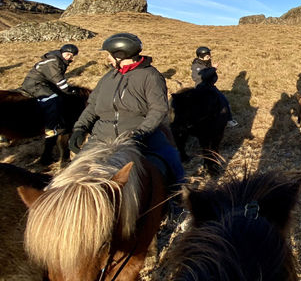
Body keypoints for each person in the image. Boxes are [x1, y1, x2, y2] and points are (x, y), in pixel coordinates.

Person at [69, 33, 184, 188]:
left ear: (120, 55)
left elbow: (158, 109)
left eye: (109, 55)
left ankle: (177, 203)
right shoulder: (108, 77)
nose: (107, 58)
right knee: (70, 176)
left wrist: (140, 134)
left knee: (172, 160)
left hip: (138, 136)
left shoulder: (150, 76)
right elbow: (92, 106)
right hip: (101, 138)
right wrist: (80, 128)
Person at [21, 43, 79, 138]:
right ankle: (49, 128)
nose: (69, 57)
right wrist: (68, 90)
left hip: (43, 83)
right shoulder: (53, 62)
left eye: (72, 56)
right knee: (52, 99)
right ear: (62, 52)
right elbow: (57, 79)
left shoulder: (59, 60)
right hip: (35, 83)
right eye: (67, 54)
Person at [191, 46, 237, 127]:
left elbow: (211, 76)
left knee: (224, 102)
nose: (209, 57)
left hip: (210, 87)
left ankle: (228, 120)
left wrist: (212, 69)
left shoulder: (207, 63)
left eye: (209, 55)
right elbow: (202, 76)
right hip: (202, 89)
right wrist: (213, 69)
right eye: (207, 56)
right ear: (200, 56)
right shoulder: (196, 66)